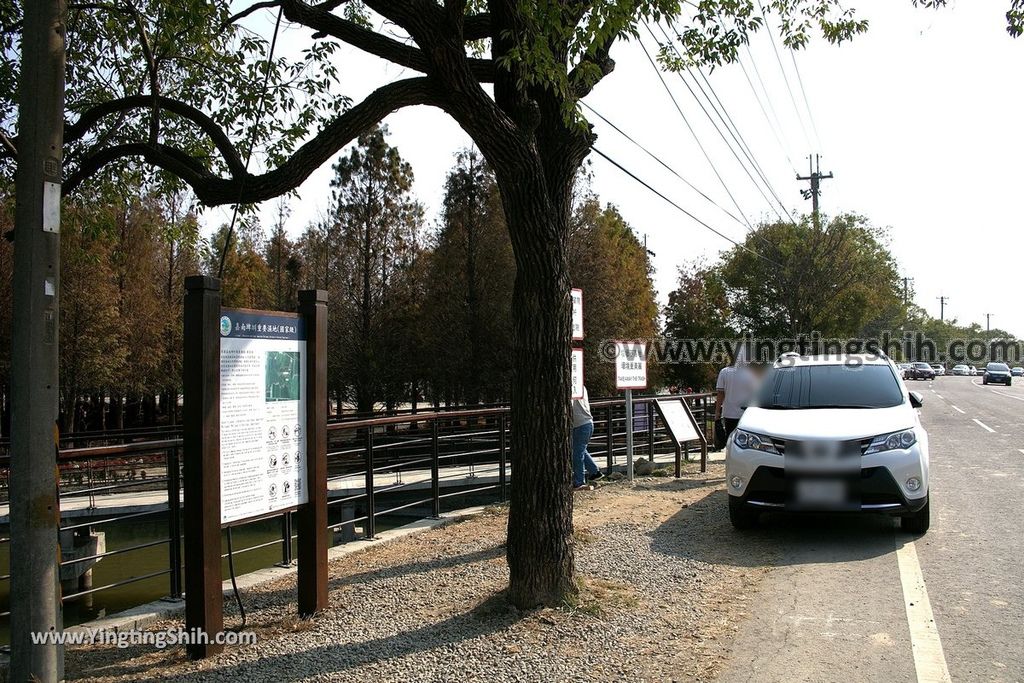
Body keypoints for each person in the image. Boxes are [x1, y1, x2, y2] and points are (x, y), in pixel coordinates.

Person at [715, 350, 758, 447]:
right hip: (744, 413)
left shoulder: (724, 372)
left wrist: (717, 412)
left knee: (730, 437)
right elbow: (755, 394)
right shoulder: (750, 374)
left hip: (729, 412)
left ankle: (730, 455)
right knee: (744, 439)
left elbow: (720, 394)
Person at [572, 386, 603, 489]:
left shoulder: (573, 386)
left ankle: (579, 481)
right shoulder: (581, 386)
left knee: (577, 453)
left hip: (580, 424)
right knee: (580, 450)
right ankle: (595, 472)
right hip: (586, 423)